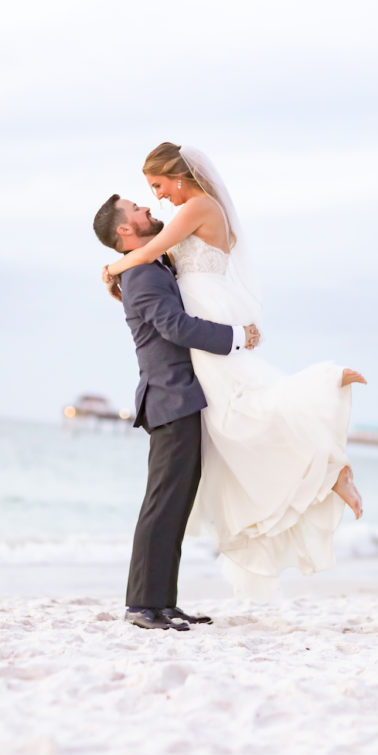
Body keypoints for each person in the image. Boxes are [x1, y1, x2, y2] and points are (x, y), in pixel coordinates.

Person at [101, 143, 366, 600]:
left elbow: (154, 258)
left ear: (177, 176)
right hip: (199, 335)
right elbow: (161, 279)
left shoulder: (192, 213)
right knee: (236, 413)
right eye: (145, 197)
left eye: (158, 187)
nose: (156, 200)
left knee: (241, 407)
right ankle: (152, 604)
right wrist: (124, 272)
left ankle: (324, 418)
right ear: (127, 227)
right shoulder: (162, 253)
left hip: (206, 319)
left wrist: (112, 268)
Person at [93, 195, 261, 629]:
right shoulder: (144, 273)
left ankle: (162, 602)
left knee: (176, 505)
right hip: (170, 397)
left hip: (182, 396)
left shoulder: (150, 265)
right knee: (162, 504)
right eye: (137, 209)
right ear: (124, 231)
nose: (148, 209)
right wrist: (237, 337)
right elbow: (175, 327)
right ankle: (140, 606)